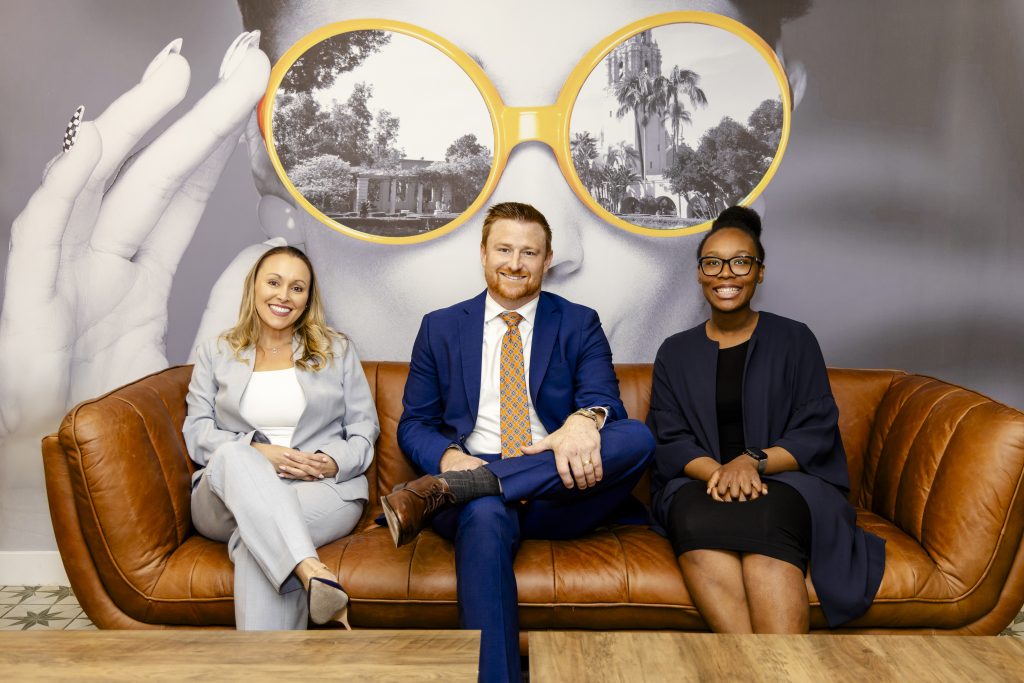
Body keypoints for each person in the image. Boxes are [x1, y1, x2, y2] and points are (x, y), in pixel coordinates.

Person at [380, 202, 655, 682]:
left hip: (561, 483)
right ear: (483, 253)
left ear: (547, 260)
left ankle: (476, 485)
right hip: (471, 478)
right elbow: (415, 424)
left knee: (636, 436)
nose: (515, 263)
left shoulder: (579, 322)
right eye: (504, 249)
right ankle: (479, 486)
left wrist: (584, 421)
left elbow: (604, 400)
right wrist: (449, 458)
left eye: (529, 252)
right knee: (485, 513)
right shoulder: (440, 326)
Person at [646, 206, 884, 633]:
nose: (726, 274)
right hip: (702, 482)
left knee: (767, 522)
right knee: (693, 518)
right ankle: (758, 666)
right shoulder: (675, 352)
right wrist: (721, 474)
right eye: (713, 263)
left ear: (759, 272)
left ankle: (776, 666)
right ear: (700, 273)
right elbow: (669, 436)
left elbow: (815, 427)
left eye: (741, 262)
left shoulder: (795, 339)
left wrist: (751, 462)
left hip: (785, 481)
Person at [184, 245, 379, 630]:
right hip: (225, 497)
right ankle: (310, 570)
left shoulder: (336, 350)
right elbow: (197, 430)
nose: (283, 296)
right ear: (254, 286)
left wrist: (332, 460)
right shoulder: (216, 352)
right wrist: (260, 453)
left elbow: (363, 429)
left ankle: (269, 662)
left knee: (256, 541)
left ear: (308, 299)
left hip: (318, 489)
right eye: (273, 282)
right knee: (234, 454)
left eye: (297, 288)